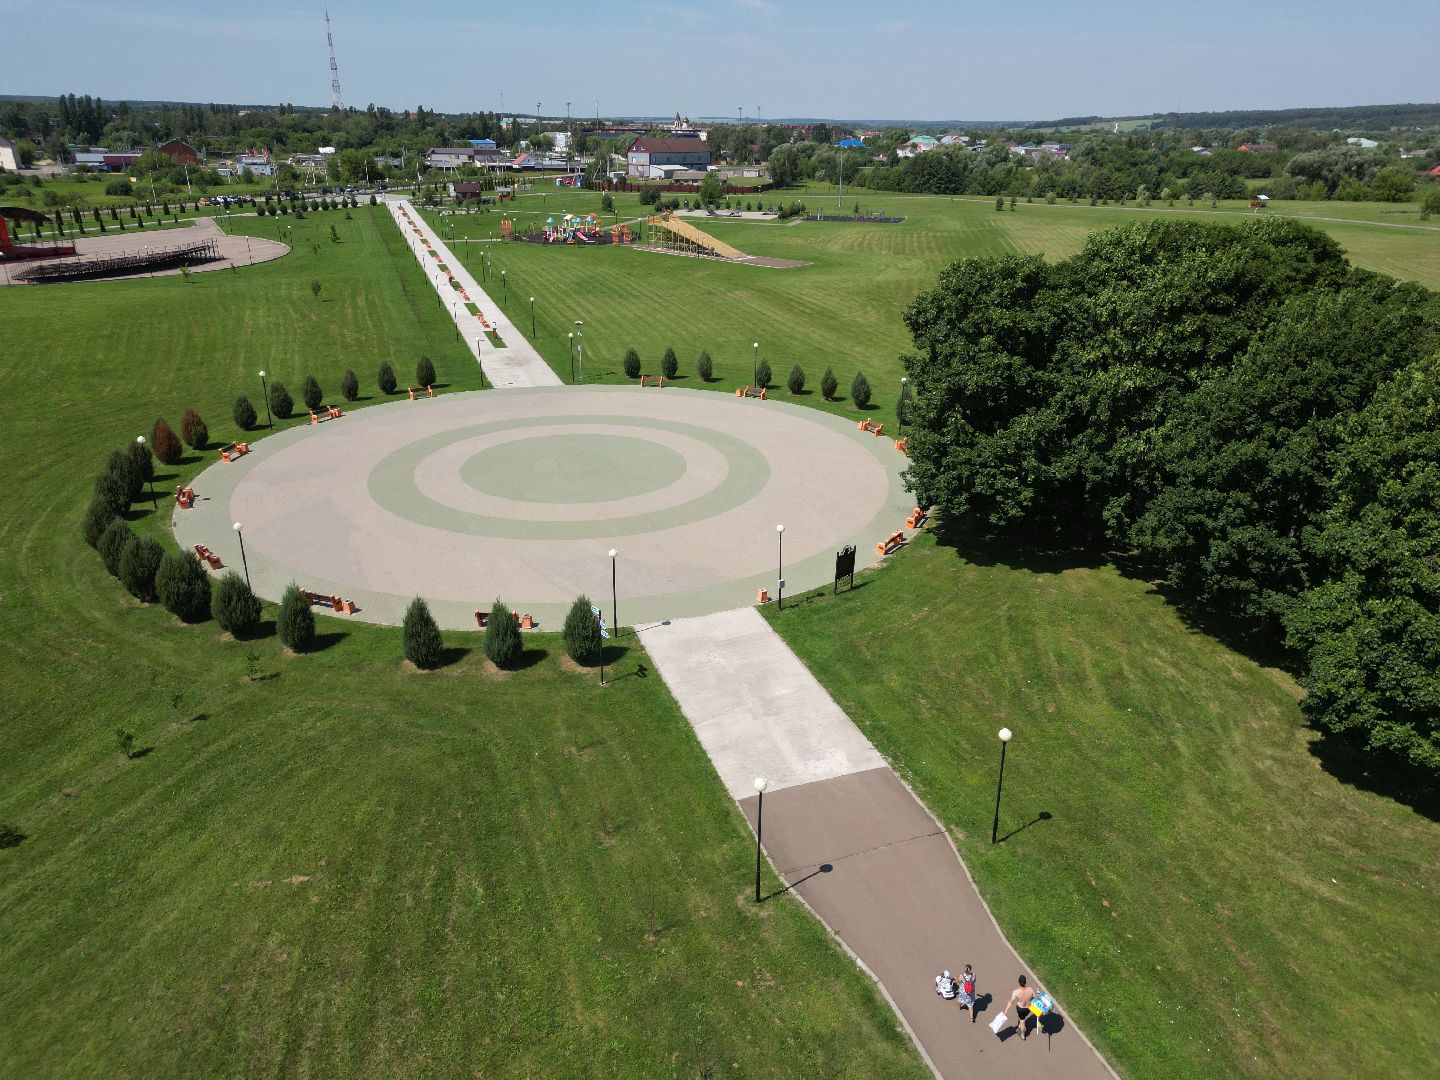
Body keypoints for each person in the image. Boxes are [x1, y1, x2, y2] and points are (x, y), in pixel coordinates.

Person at [1004, 974, 1036, 1040]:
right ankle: (1021, 1025)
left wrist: (1006, 1010)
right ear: (1025, 982)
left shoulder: (1016, 992)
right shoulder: (1030, 989)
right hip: (1028, 1008)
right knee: (1023, 1018)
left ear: (1019, 982)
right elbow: (1035, 997)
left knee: (1022, 1021)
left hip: (1020, 1009)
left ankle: (1022, 1035)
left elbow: (1011, 1001)